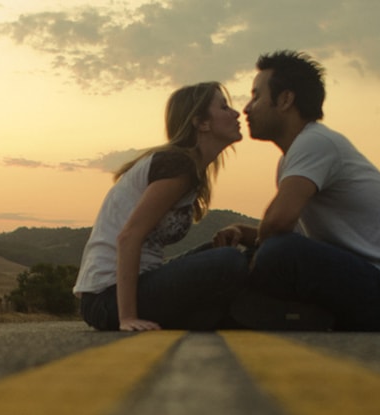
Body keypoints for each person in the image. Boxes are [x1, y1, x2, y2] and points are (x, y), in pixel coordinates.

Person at [214, 51, 380, 331]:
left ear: (285, 100)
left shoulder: (316, 143)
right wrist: (244, 233)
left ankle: (257, 311)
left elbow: (279, 222)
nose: (247, 108)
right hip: (374, 282)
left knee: (278, 253)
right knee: (267, 251)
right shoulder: (296, 155)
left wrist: (256, 258)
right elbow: (294, 234)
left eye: (256, 96)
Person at [73, 82, 248, 332]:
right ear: (202, 122)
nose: (235, 113)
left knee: (226, 253)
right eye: (224, 107)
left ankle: (217, 316)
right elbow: (128, 236)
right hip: (106, 299)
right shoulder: (178, 165)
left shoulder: (188, 168)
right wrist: (128, 319)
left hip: (134, 287)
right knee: (228, 261)